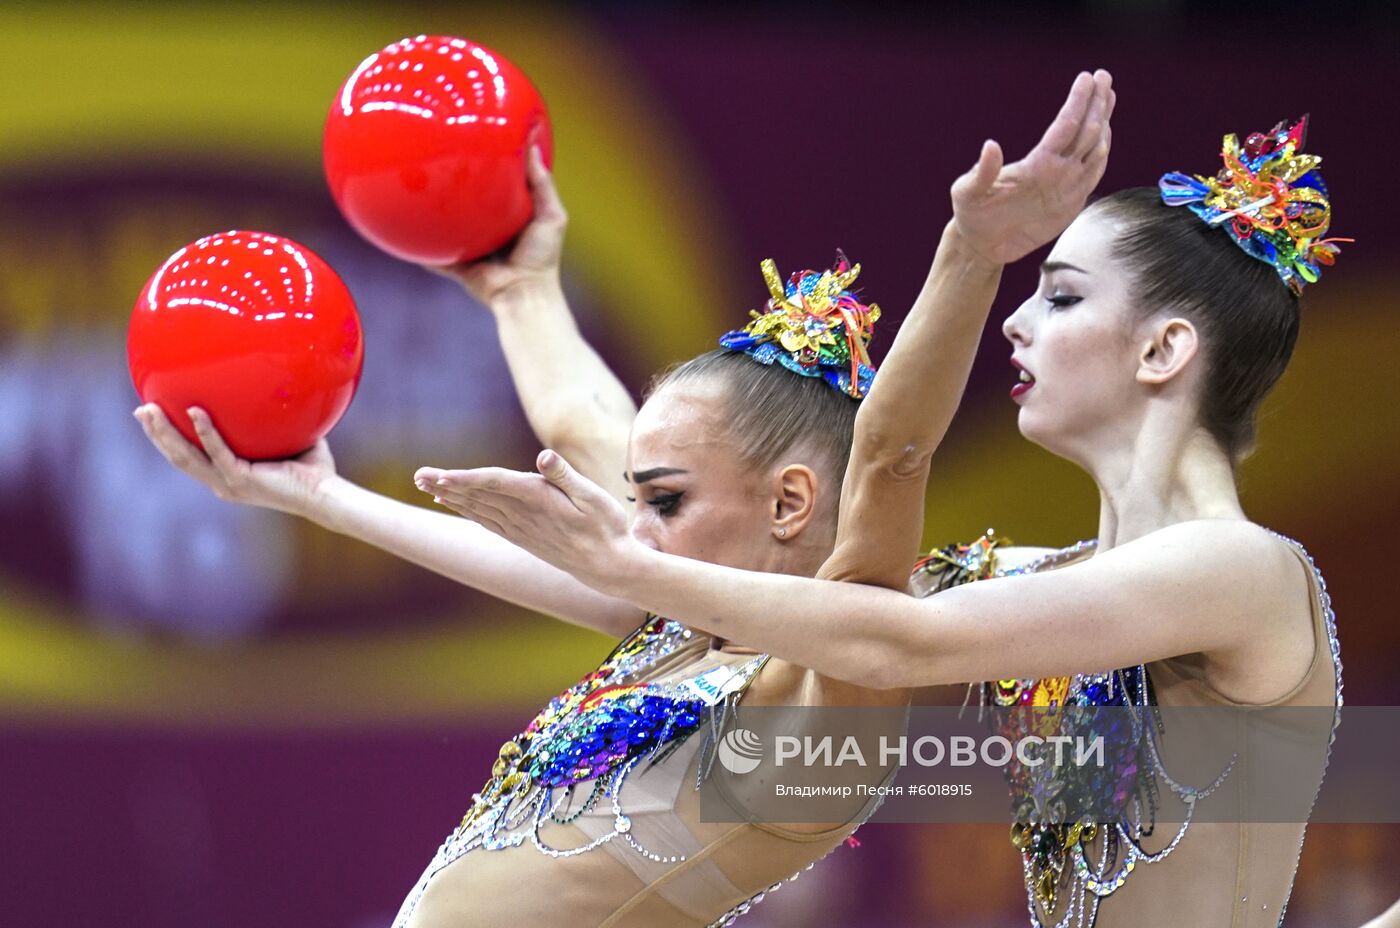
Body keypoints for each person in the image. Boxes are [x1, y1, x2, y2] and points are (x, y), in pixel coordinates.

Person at [139, 73, 1116, 926]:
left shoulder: (831, 688)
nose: (626, 523)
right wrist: (515, 300)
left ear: (788, 504)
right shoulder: (680, 627)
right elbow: (578, 420)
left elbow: (892, 455)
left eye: (662, 497)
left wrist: (969, 253)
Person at [431, 113, 1345, 926]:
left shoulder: (1240, 571)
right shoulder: (1045, 580)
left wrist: (971, 256)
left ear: (1163, 348)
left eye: (1061, 295)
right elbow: (742, 550)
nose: (1017, 325)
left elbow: (892, 637)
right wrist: (526, 300)